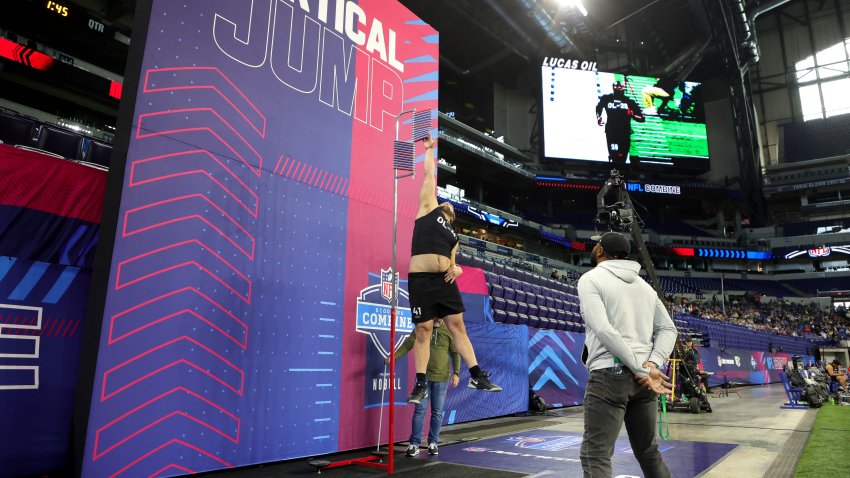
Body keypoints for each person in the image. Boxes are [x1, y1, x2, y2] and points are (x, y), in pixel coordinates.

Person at [406, 135, 501, 405]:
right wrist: (428, 150)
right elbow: (427, 177)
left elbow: (452, 261)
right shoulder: (428, 207)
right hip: (421, 279)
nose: (446, 204)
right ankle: (421, 383)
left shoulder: (454, 236)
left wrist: (457, 270)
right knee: (423, 329)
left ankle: (476, 374)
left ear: (453, 216)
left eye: (450, 208)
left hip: (443, 281)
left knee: (457, 325)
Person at [577, 231, 678, 478]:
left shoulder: (591, 279)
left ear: (600, 250)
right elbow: (668, 329)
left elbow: (603, 329)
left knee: (596, 453)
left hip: (610, 375)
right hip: (645, 381)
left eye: (596, 245)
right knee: (648, 451)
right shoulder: (645, 287)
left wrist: (639, 368)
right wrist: (652, 364)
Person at [388, 319, 460, 457]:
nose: (437, 319)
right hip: (423, 379)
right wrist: (394, 357)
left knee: (437, 412)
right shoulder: (422, 327)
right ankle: (414, 444)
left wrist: (456, 372)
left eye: (440, 316)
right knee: (419, 411)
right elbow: (408, 344)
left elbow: (455, 353)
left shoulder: (449, 330)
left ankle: (433, 443)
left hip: (442, 379)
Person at [595, 81, 645, 170]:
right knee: (614, 154)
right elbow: (599, 107)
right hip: (612, 131)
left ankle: (621, 173)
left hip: (625, 132)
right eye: (616, 87)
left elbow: (642, 118)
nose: (618, 89)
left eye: (620, 87)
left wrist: (632, 115)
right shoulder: (607, 98)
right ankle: (613, 171)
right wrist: (599, 117)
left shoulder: (630, 102)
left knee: (623, 156)